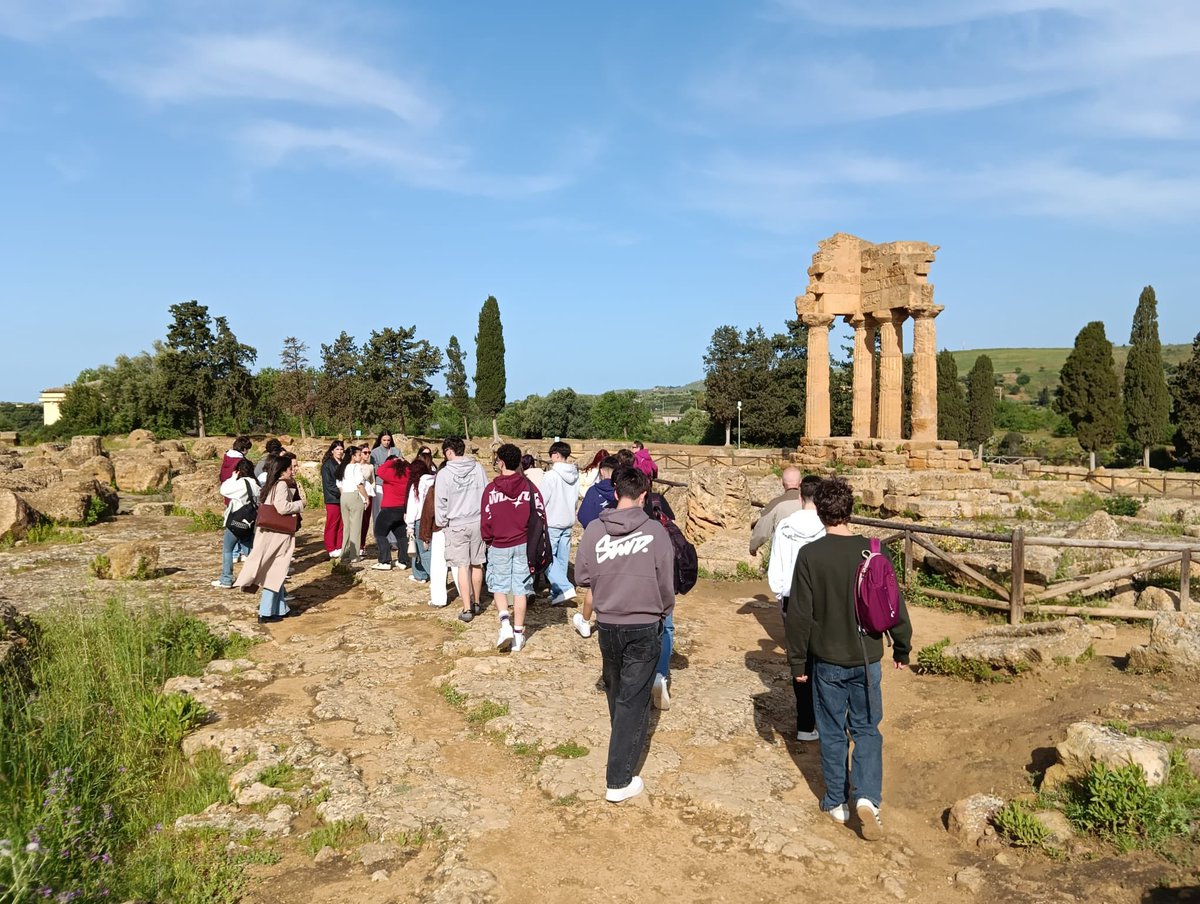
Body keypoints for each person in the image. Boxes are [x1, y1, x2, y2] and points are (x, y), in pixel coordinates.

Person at [786, 477, 913, 840]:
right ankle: (868, 799)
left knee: (831, 731)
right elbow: (893, 603)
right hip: (867, 656)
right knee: (867, 729)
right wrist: (901, 646)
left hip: (826, 660)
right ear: (850, 510)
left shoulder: (810, 555)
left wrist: (797, 663)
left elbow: (799, 615)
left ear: (820, 513)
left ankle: (837, 800)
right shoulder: (873, 550)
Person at [574, 466, 675, 804]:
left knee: (618, 690)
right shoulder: (655, 532)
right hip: (644, 621)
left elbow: (583, 576)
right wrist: (663, 609)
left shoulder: (593, 530)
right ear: (644, 496)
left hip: (608, 622)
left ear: (616, 493)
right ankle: (618, 779)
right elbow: (666, 581)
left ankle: (622, 739)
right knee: (632, 698)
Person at [767, 474, 825, 741]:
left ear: (800, 497)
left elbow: (776, 565)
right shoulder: (827, 527)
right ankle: (826, 720)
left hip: (793, 599)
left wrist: (782, 596)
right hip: (823, 601)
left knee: (800, 662)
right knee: (823, 659)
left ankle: (804, 724)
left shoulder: (786, 526)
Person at [480, 443, 546, 652]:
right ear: (519, 462)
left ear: (500, 462)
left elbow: (485, 519)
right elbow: (540, 515)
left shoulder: (491, 489)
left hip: (499, 543)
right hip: (523, 544)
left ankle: (505, 623)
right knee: (520, 589)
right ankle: (518, 634)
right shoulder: (529, 487)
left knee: (498, 586)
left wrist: (488, 538)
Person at [235, 454, 305, 622]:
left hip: (270, 534)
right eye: (290, 468)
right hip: (278, 536)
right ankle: (265, 612)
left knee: (276, 571)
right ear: (282, 471)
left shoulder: (271, 484)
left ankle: (281, 609)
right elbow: (282, 507)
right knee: (275, 572)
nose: (292, 471)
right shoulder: (281, 485)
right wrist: (300, 504)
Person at [434, 437, 488, 623]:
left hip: (456, 523)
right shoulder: (478, 468)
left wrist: (441, 522)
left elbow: (440, 502)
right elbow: (486, 493)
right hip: (477, 520)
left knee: (462, 566)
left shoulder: (444, 474)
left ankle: (467, 607)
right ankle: (478, 601)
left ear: (449, 451)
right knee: (477, 563)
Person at [641, 487, 679, 711]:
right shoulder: (659, 503)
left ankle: (641, 677)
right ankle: (661, 674)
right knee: (666, 628)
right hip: (663, 579)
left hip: (637, 581)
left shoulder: (627, 517)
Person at [538, 441, 579, 606]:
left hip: (553, 521)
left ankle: (565, 587)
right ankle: (558, 592)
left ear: (555, 455)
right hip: (568, 521)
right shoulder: (575, 475)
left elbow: (541, 500)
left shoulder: (550, 475)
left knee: (546, 557)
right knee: (561, 558)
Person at [213, 458, 258, 589]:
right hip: (250, 523)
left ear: (239, 471)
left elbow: (224, 490)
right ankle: (256, 577)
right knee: (249, 551)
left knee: (227, 549)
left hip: (236, 522)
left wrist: (233, 478)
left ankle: (226, 579)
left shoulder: (240, 483)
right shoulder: (255, 484)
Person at [749, 466, 804, 557]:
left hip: (783, 554)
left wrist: (753, 547)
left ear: (782, 482)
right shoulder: (811, 503)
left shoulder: (775, 504)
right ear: (800, 482)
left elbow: (762, 531)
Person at [372, 453, 411, 571]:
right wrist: (403, 461)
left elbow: (379, 470)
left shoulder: (391, 474)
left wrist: (393, 461)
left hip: (389, 509)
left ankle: (385, 561)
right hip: (403, 509)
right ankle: (403, 561)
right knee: (401, 535)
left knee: (380, 533)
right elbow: (409, 467)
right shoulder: (408, 473)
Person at [336, 445, 371, 562]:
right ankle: (354, 555)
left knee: (347, 526)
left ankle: (344, 553)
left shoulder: (342, 467)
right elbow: (359, 484)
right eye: (359, 454)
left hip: (344, 496)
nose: (360, 456)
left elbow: (339, 484)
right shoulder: (355, 467)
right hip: (354, 495)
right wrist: (366, 497)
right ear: (353, 456)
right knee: (356, 527)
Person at [405, 457, 436, 583]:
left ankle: (430, 576)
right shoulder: (435, 480)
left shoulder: (417, 485)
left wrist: (410, 525)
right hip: (435, 520)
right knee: (432, 549)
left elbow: (413, 506)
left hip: (420, 520)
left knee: (422, 551)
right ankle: (420, 574)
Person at [371, 432, 401, 555]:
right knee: (379, 514)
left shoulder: (396, 450)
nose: (386, 442)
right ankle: (381, 540)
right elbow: (376, 469)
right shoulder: (375, 452)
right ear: (380, 440)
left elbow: (399, 466)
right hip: (380, 485)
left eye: (388, 440)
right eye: (384, 440)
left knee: (393, 514)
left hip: (393, 485)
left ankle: (394, 541)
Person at [578, 455, 618, 528]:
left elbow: (582, 515)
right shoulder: (621, 491)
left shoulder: (593, 490)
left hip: (595, 533)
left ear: (601, 471)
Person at [320, 440, 345, 558]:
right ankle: (331, 547)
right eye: (337, 449)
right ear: (332, 451)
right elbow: (328, 484)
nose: (339, 452)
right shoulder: (328, 465)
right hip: (333, 498)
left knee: (342, 523)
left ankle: (339, 545)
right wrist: (340, 492)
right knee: (332, 523)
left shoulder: (343, 463)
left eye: (341, 449)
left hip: (343, 498)